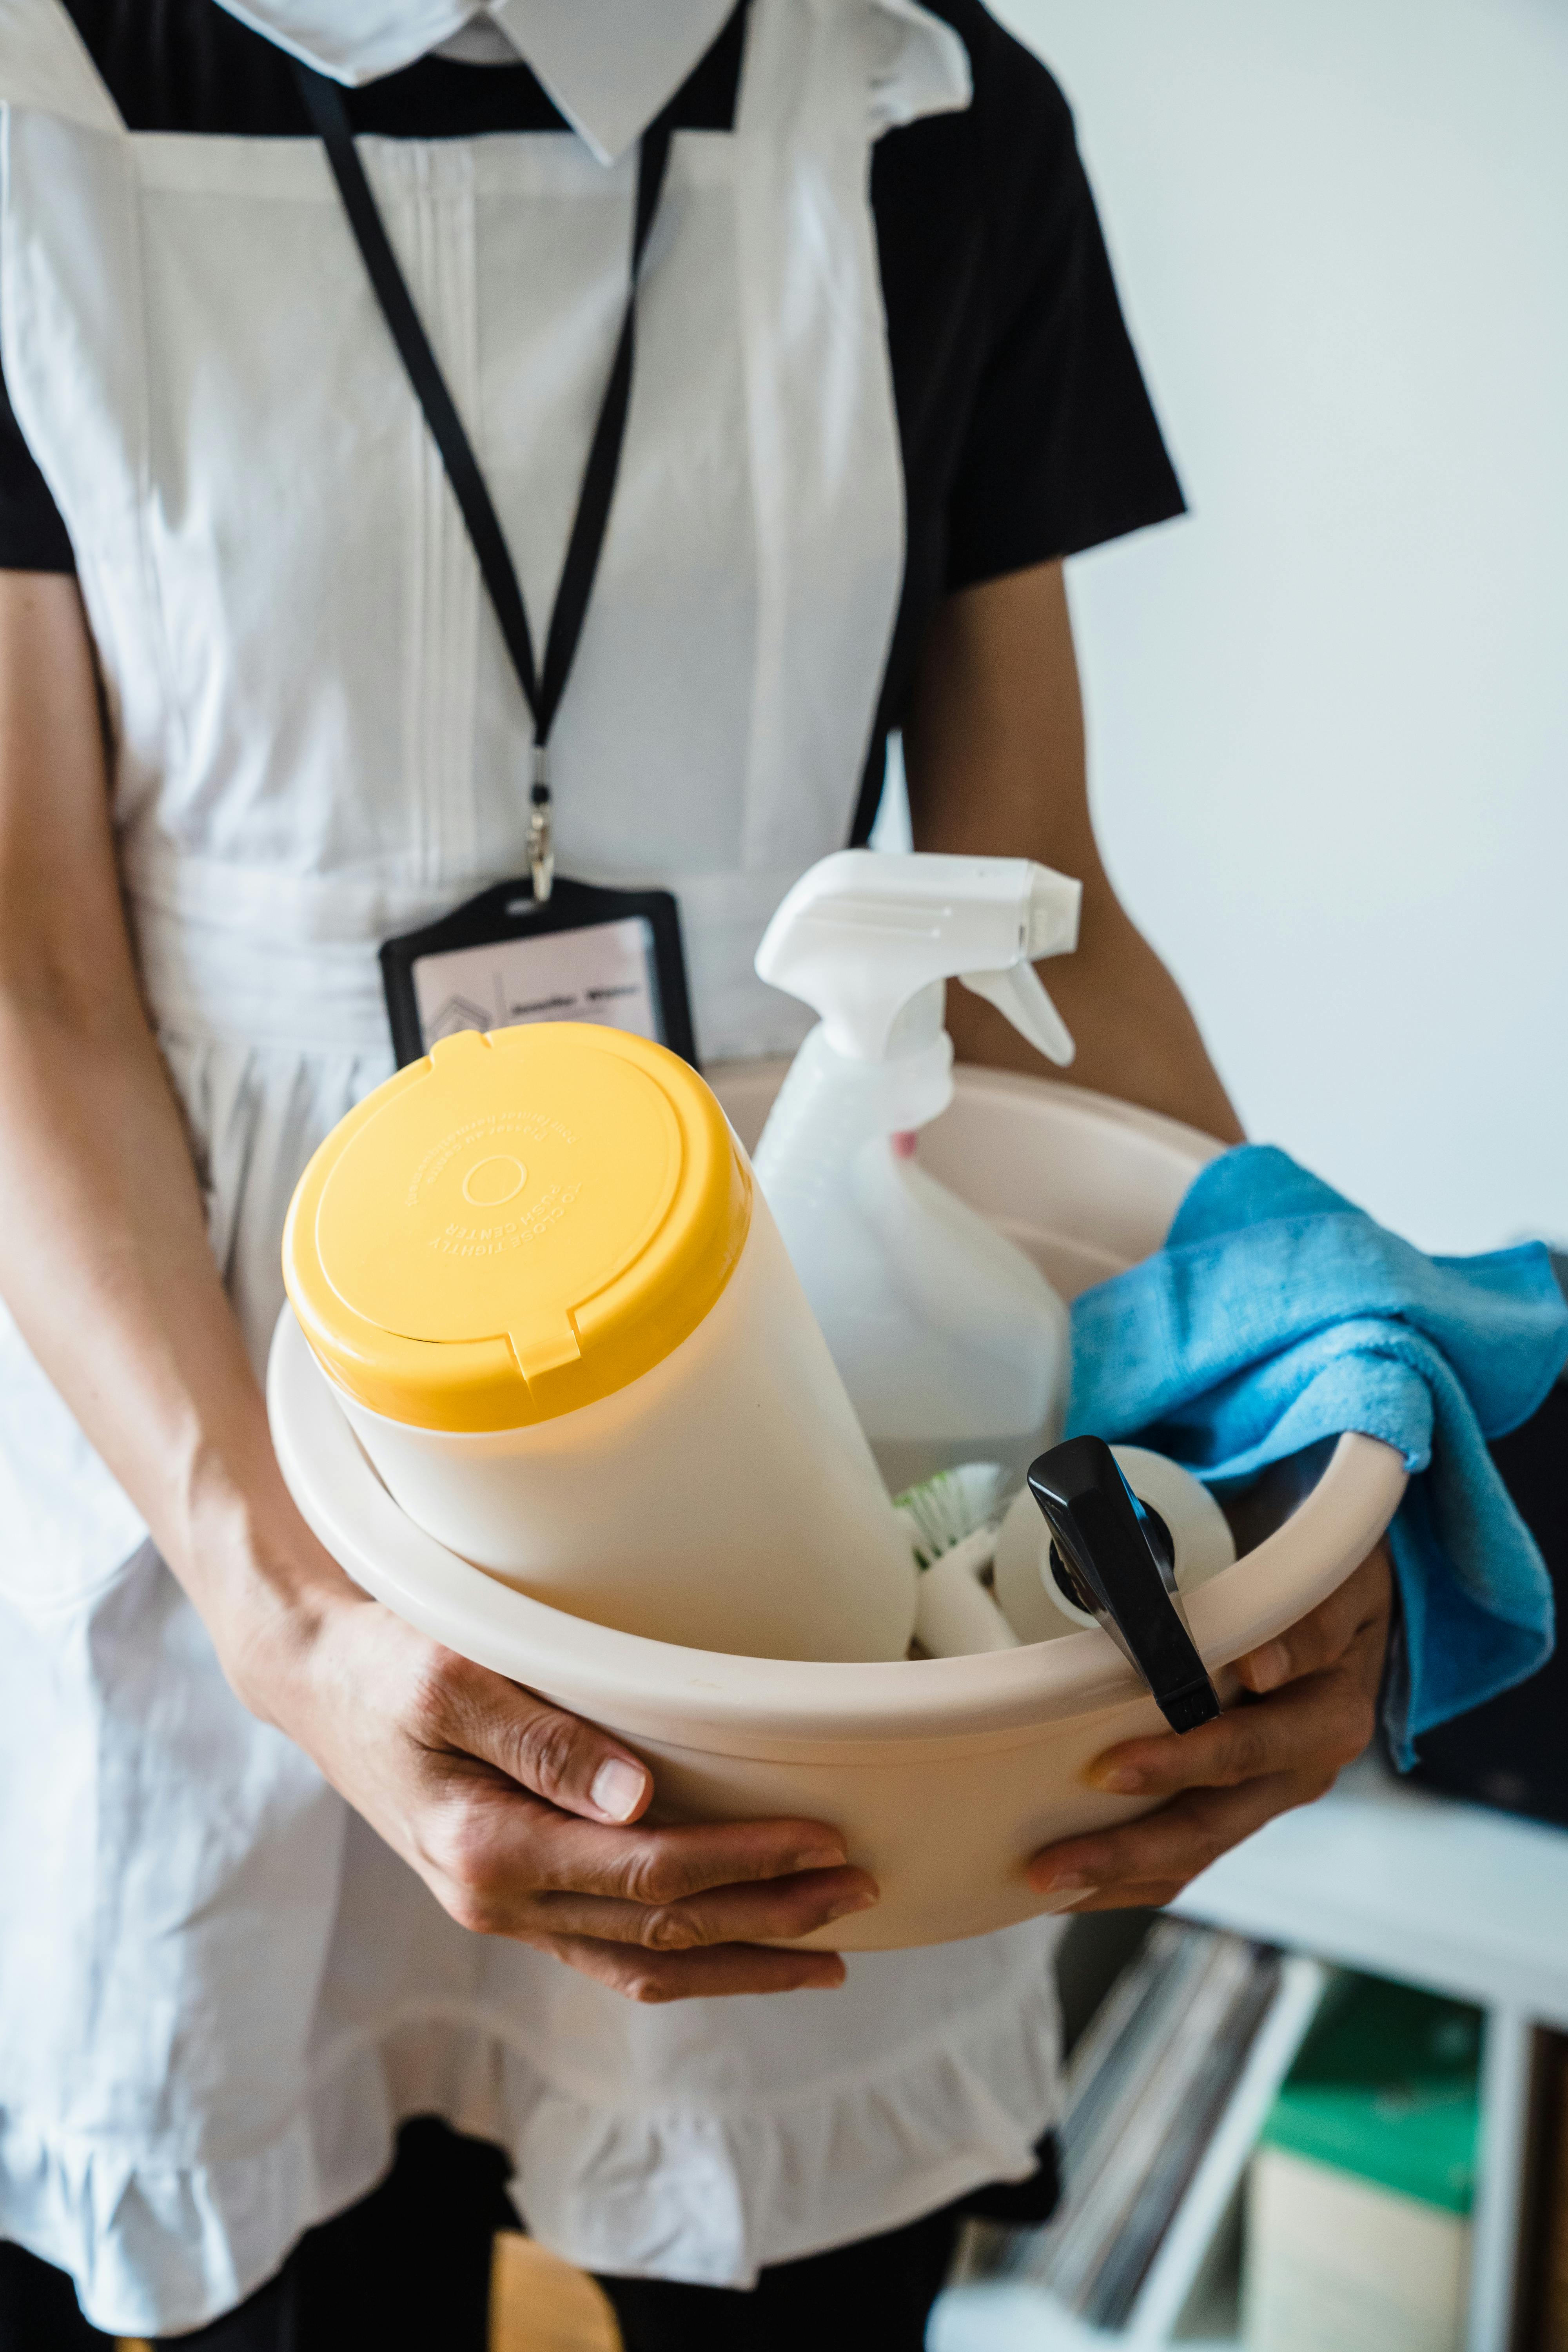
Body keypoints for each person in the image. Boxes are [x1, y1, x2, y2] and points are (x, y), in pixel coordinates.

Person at [0, 0, 1393, 2344]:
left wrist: (1295, 1414)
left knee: (804, 2249)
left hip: (796, 1334)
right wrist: (286, 1625)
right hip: (219, 1397)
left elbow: (1034, 882)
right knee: (283, 2254)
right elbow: (29, 967)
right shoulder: (38, 88)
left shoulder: (931, 109)